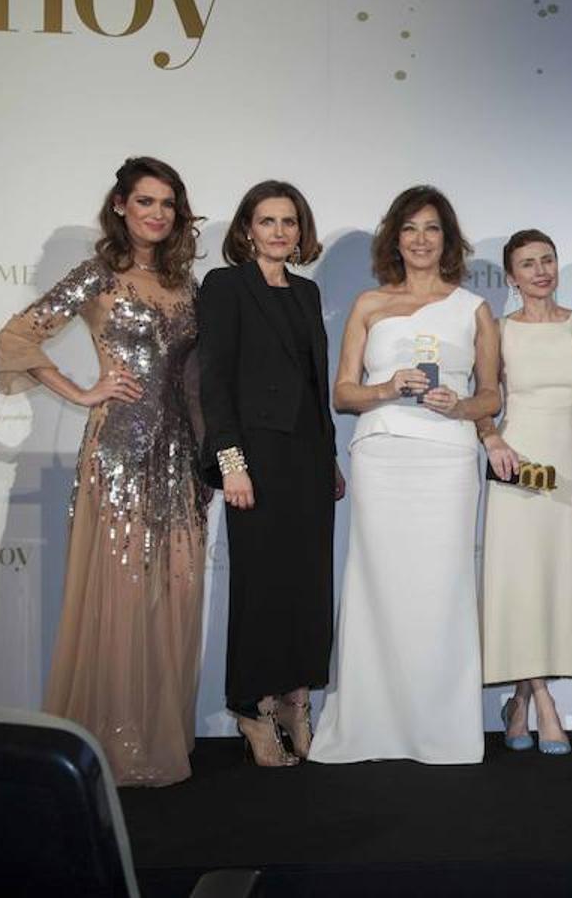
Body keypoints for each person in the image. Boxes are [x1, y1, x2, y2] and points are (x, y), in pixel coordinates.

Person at [0, 156, 208, 785]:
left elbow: (193, 380)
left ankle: (156, 733)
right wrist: (82, 390)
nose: (157, 214)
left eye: (168, 204)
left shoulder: (186, 285)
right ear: (121, 207)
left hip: (177, 457)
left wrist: (206, 456)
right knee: (124, 594)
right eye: (146, 202)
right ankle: (114, 743)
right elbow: (16, 338)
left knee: (176, 593)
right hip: (117, 452)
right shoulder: (97, 276)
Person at [309, 186, 499, 765]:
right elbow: (342, 392)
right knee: (378, 585)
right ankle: (372, 725)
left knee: (442, 590)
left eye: (432, 228)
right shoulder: (368, 304)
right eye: (410, 228)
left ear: (448, 239)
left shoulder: (474, 309)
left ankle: (442, 728)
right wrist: (387, 388)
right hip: (383, 453)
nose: (421, 239)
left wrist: (458, 406)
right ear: (395, 238)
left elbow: (490, 396)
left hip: (446, 459)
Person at [197, 181, 343, 766]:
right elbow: (215, 380)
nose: (279, 231)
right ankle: (252, 710)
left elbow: (313, 385)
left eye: (289, 221)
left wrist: (329, 455)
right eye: (267, 221)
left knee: (308, 585)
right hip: (255, 457)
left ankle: (297, 702)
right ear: (246, 229)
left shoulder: (306, 293)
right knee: (260, 587)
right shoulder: (226, 285)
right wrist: (232, 463)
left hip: (308, 458)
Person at [478, 229, 572, 756]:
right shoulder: (500, 330)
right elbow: (484, 401)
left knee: (555, 587)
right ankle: (545, 702)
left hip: (569, 471)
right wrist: (493, 439)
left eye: (547, 260)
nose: (540, 271)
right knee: (520, 588)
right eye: (527, 264)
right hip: (520, 469)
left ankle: (519, 704)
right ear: (511, 276)